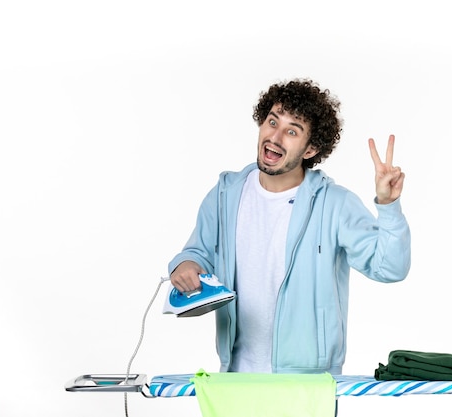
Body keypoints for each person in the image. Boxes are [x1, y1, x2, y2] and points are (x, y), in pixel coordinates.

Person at [168, 78, 411, 375]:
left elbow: (389, 268)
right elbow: (198, 252)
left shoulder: (335, 204)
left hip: (308, 383)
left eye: (292, 131)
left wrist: (388, 207)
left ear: (310, 150)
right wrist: (186, 266)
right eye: (272, 122)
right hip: (235, 378)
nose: (275, 136)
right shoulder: (225, 193)